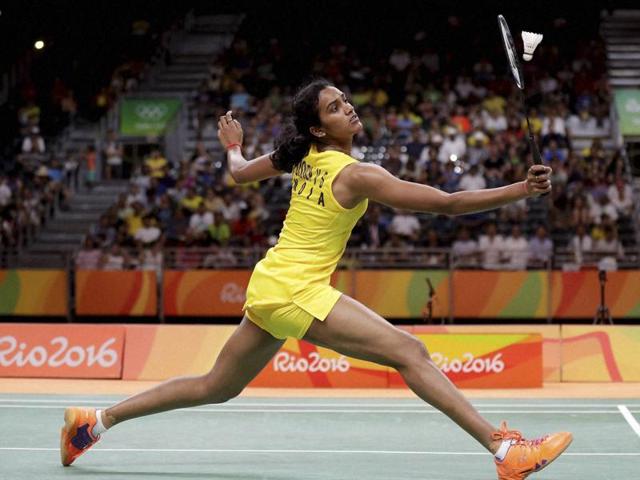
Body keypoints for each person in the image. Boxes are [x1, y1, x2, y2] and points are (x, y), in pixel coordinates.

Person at [61, 80, 571, 479]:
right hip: (296, 290)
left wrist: (234, 147)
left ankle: (92, 423)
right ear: (321, 130)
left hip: (272, 284)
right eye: (333, 108)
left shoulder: (301, 155)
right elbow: (447, 204)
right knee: (409, 351)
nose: (346, 108)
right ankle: (504, 450)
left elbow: (238, 173)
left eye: (344, 101)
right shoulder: (356, 173)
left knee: (215, 386)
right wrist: (520, 190)